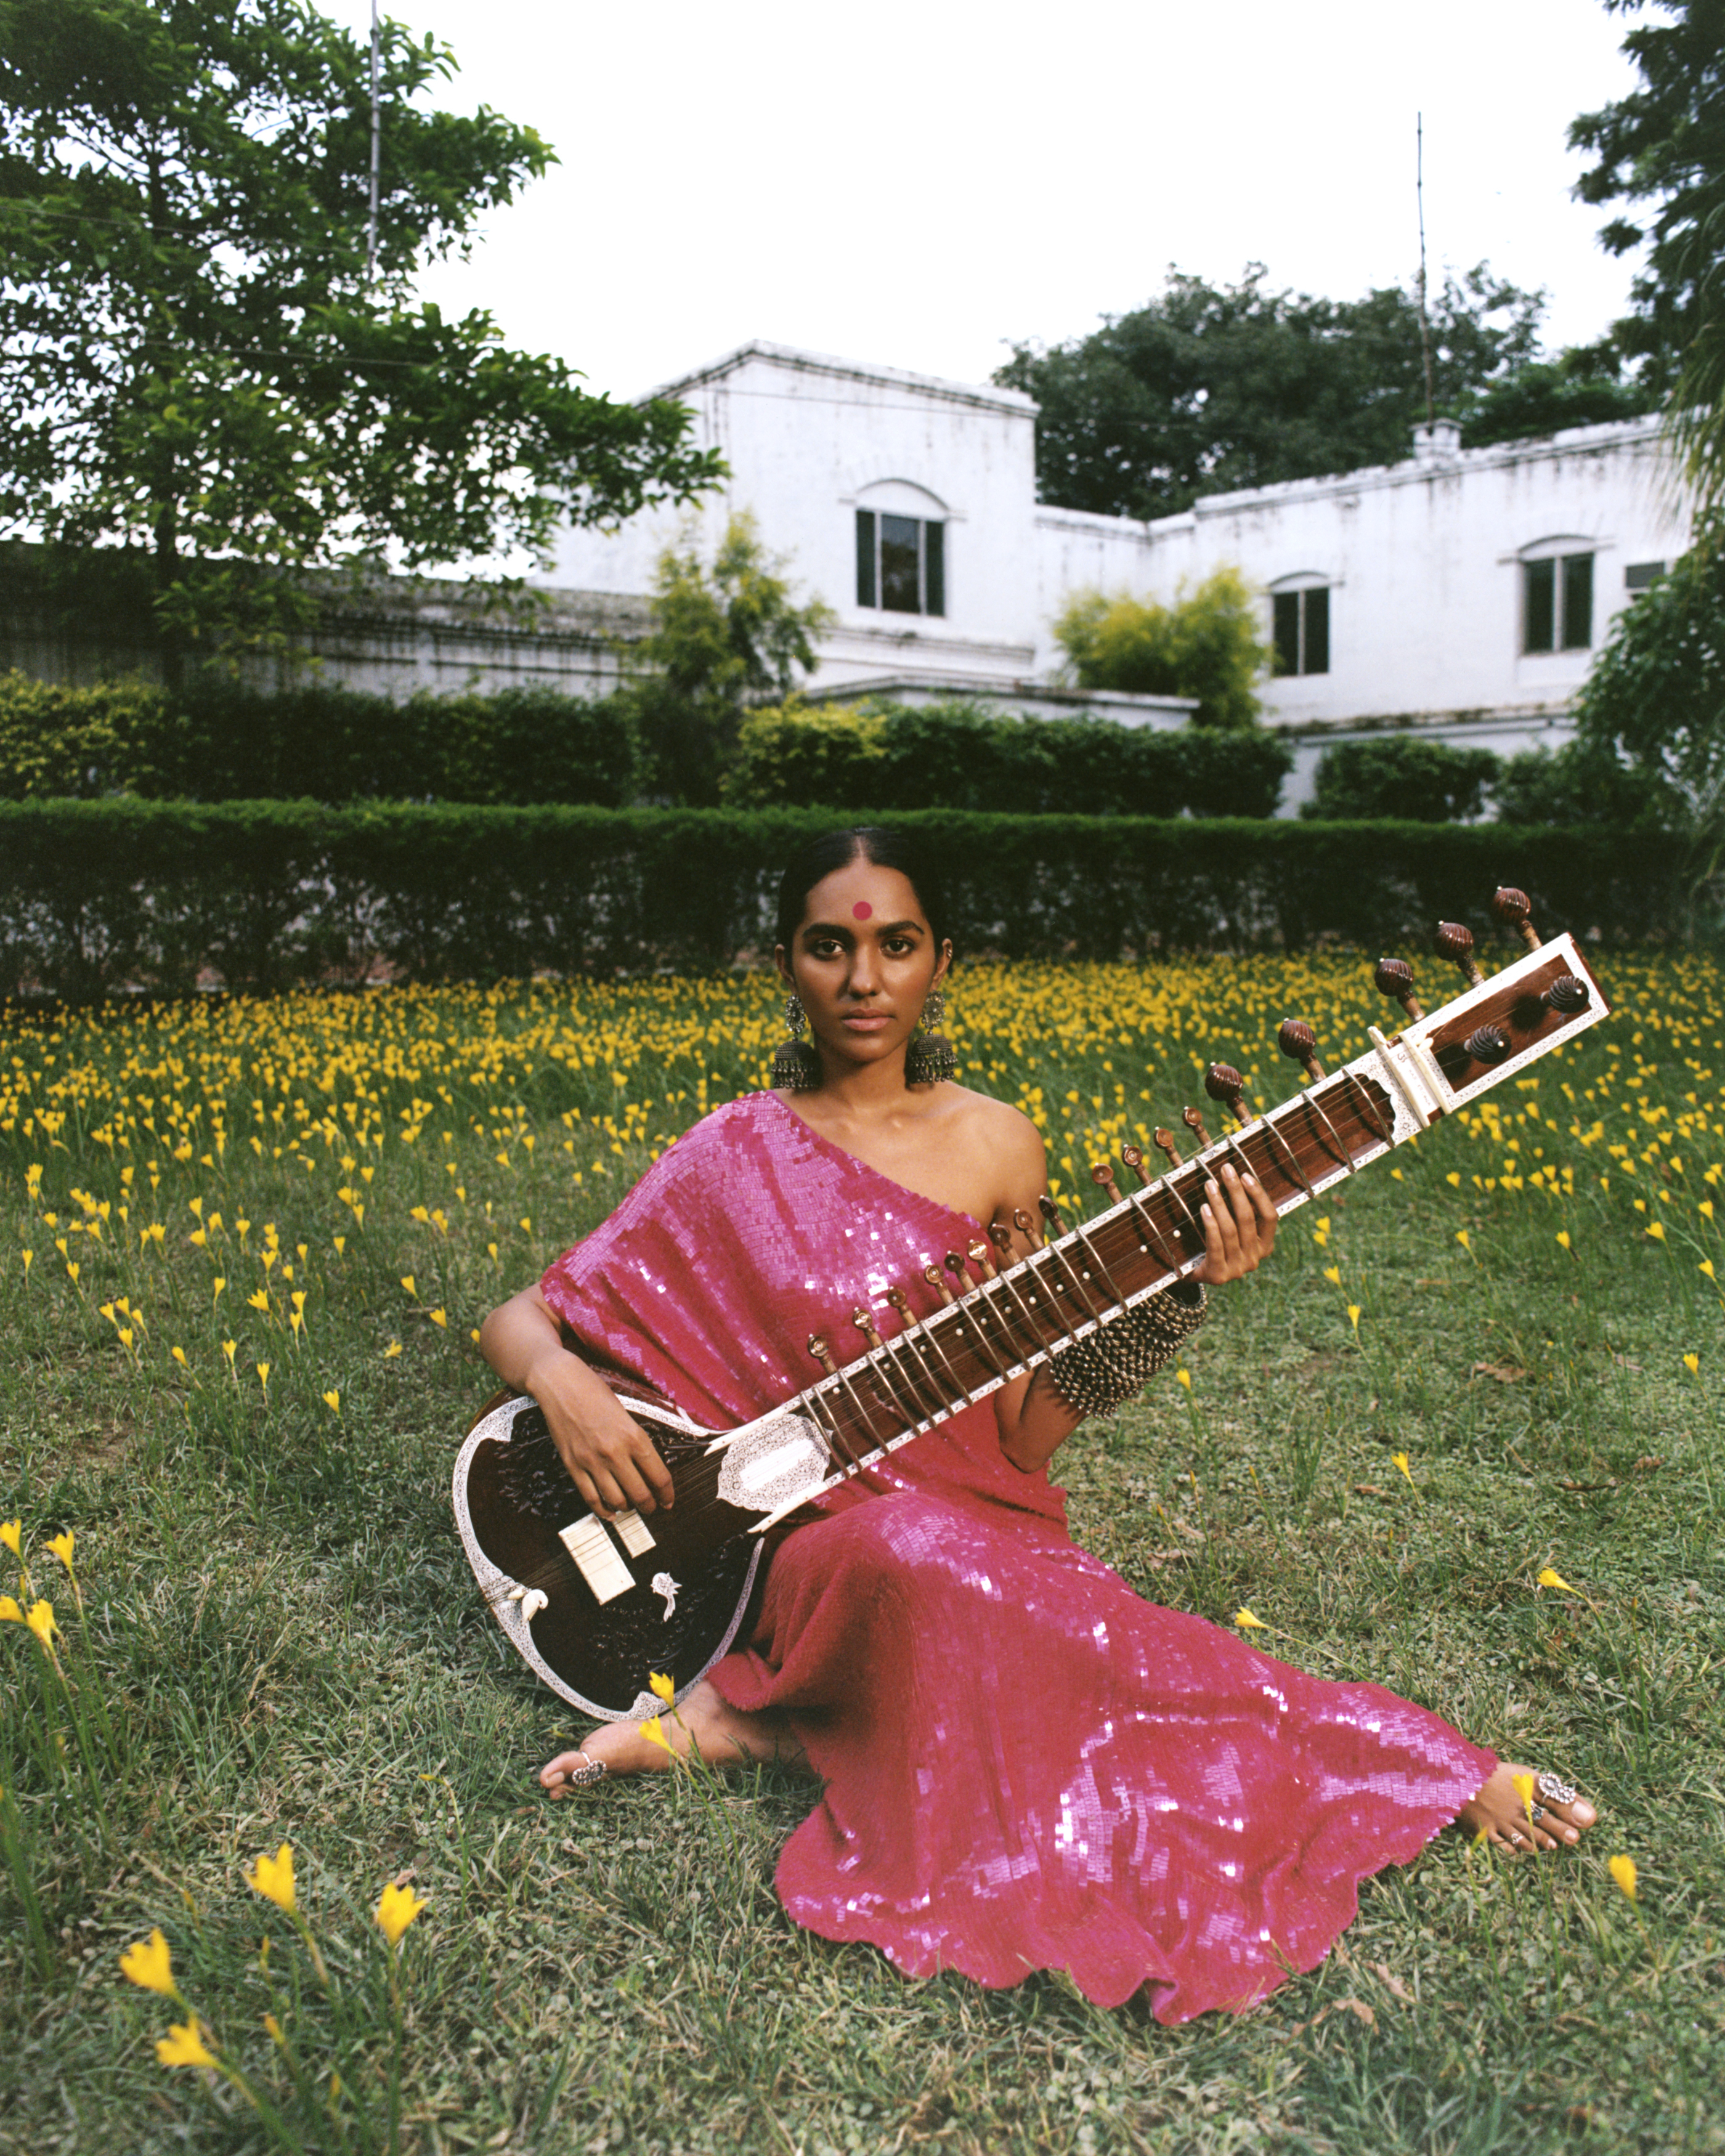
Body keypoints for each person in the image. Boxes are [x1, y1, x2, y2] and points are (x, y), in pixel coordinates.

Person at [477, 824, 1595, 2023]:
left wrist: (1173, 1295)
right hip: (776, 1554)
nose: (863, 981)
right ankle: (759, 1704)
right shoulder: (729, 1146)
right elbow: (520, 1316)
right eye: (828, 947)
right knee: (911, 1551)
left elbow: (1017, 1437)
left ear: (938, 959)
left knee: (1035, 1602)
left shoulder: (996, 1144)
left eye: (895, 945)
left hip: (959, 1531)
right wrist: (562, 1382)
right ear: (788, 964)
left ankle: (1409, 1763)